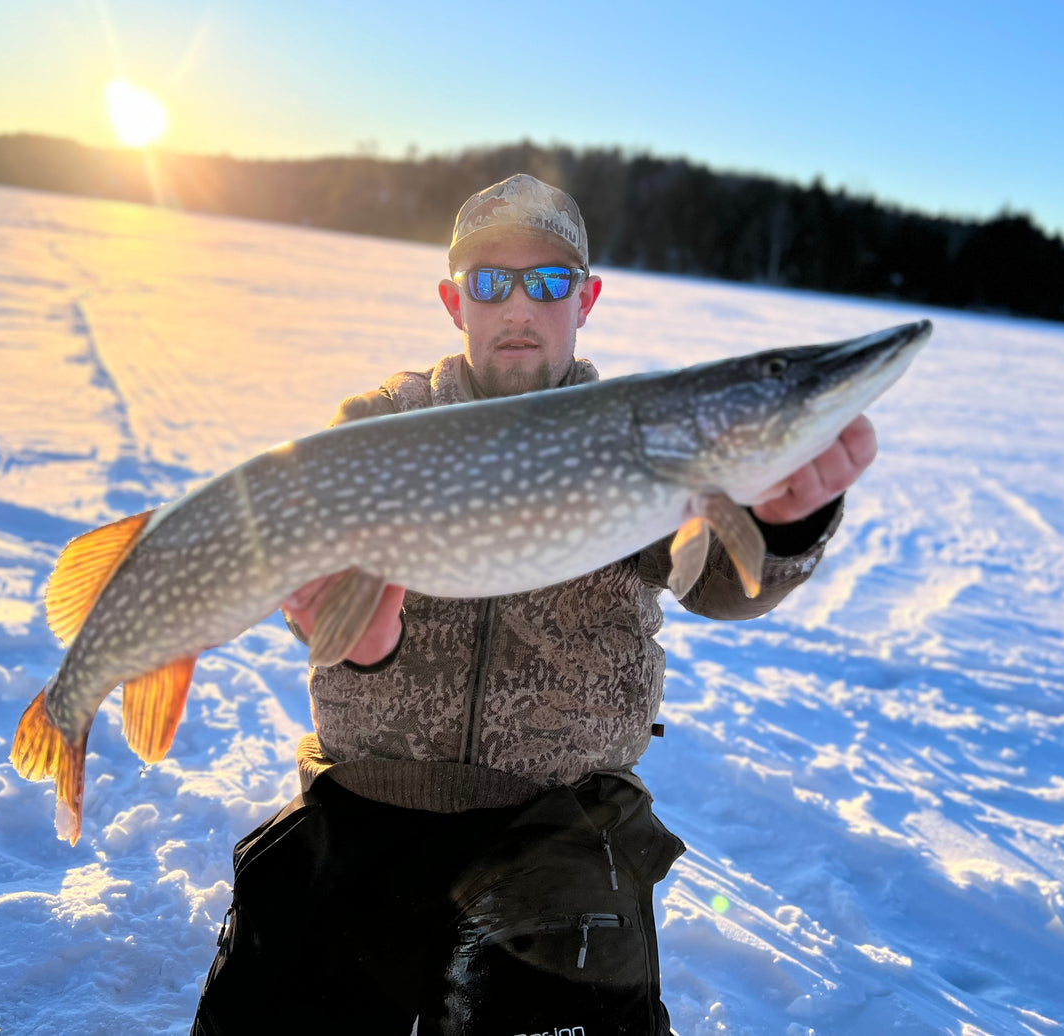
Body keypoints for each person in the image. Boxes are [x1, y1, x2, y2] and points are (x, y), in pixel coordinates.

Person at [190, 174, 876, 1035]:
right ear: (454, 301)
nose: (519, 303)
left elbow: (723, 584)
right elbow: (326, 604)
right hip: (365, 803)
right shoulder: (375, 422)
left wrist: (787, 524)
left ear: (584, 299)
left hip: (561, 826)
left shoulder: (642, 434)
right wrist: (357, 642)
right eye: (490, 281)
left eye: (548, 281)